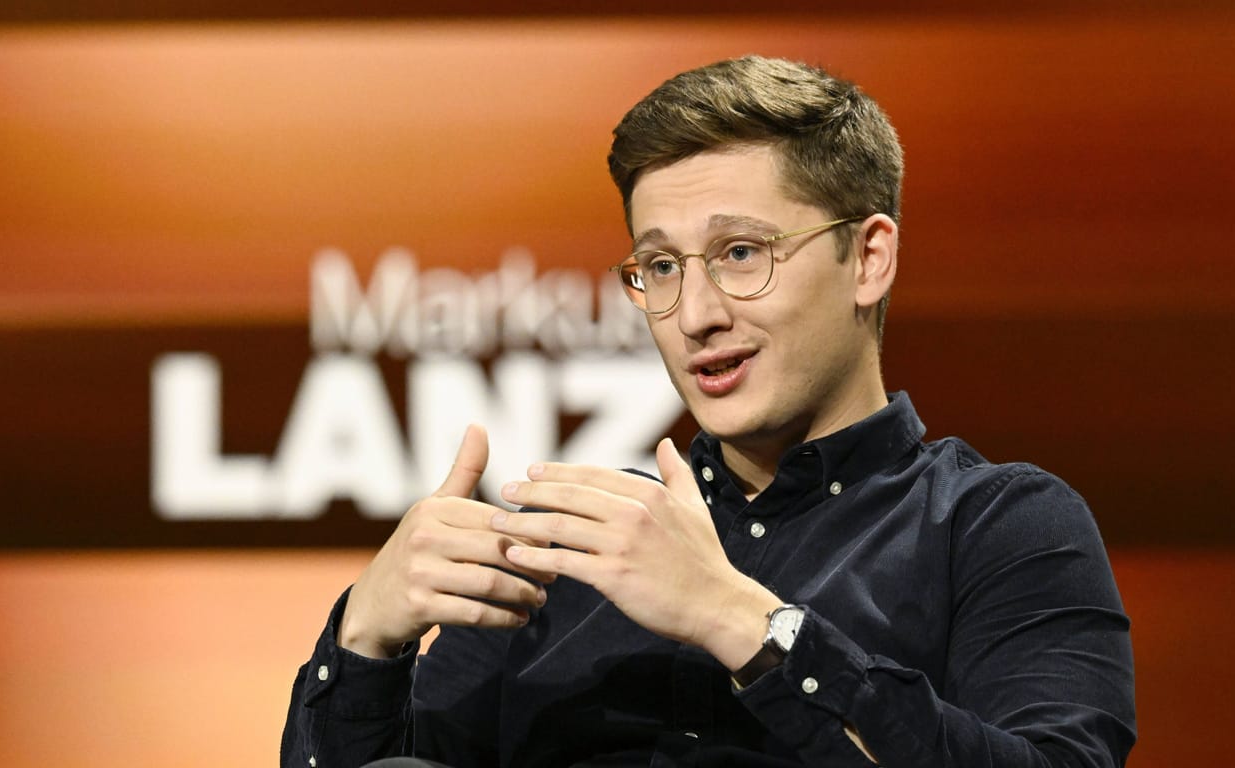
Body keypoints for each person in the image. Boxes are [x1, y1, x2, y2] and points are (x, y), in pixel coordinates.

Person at [281, 55, 1136, 768]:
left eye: (739, 253)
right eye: (658, 266)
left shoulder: (1000, 527)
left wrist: (738, 620)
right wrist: (368, 639)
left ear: (869, 259)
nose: (695, 314)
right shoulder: (562, 548)